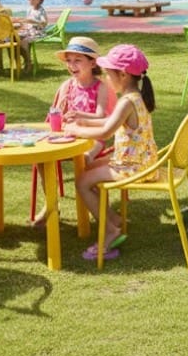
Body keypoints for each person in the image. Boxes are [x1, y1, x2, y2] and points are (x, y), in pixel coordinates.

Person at [64, 45, 158, 260]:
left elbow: (107, 130)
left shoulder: (127, 101)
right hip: (140, 159)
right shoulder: (134, 96)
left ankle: (109, 231)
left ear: (123, 75)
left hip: (132, 166)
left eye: (109, 73)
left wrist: (77, 129)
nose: (106, 76)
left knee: (82, 182)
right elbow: (109, 120)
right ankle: (113, 219)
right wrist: (83, 118)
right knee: (86, 168)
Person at [31, 37, 111, 226]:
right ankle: (51, 205)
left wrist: (80, 116)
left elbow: (100, 116)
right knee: (42, 158)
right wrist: (58, 112)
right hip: (68, 137)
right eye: (69, 61)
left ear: (92, 63)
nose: (72, 65)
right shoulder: (67, 86)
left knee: (83, 159)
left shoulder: (101, 87)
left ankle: (99, 211)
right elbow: (55, 115)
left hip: (93, 138)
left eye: (77, 60)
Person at [16, 0, 49, 72]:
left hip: (38, 32)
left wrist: (34, 21)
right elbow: (27, 22)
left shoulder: (41, 10)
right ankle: (26, 60)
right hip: (29, 31)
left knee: (24, 41)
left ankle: (28, 62)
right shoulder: (29, 9)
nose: (30, 0)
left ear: (40, 0)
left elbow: (44, 22)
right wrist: (22, 25)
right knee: (16, 39)